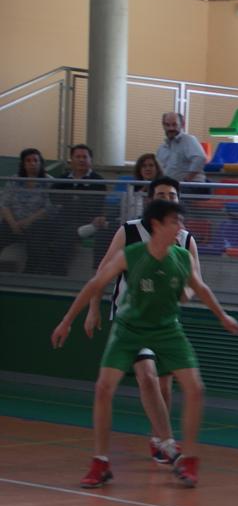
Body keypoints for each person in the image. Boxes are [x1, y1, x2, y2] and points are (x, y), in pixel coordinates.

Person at [51, 199, 238, 490]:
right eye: (174, 222)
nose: (180, 228)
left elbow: (201, 288)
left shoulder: (181, 257)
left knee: (196, 389)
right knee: (103, 388)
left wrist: (223, 316)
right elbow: (95, 284)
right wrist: (67, 320)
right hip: (130, 330)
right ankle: (101, 462)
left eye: (180, 222)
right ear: (156, 225)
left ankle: (188, 460)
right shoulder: (131, 255)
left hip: (166, 329)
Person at [84, 176, 202, 467]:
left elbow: (194, 283)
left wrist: (183, 294)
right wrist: (92, 308)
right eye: (161, 194)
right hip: (132, 320)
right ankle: (168, 443)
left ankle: (157, 439)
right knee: (147, 377)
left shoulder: (185, 239)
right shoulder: (130, 231)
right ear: (150, 200)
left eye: (172, 195)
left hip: (165, 321)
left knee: (164, 385)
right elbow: (102, 271)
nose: (167, 199)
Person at [0, 148, 55, 274]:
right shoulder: (14, 180)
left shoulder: (49, 182)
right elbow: (4, 204)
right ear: (23, 164)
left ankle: (29, 274)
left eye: (35, 160)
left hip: (35, 224)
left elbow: (49, 208)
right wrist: (13, 223)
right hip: (12, 223)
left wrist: (27, 221)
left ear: (40, 163)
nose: (32, 163)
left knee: (37, 240)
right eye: (28, 161)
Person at [157, 113, 207, 183]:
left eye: (174, 124)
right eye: (167, 125)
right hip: (170, 188)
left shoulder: (188, 140)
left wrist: (186, 180)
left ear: (182, 124)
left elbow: (200, 158)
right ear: (163, 125)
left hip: (190, 187)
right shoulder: (162, 148)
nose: (171, 128)